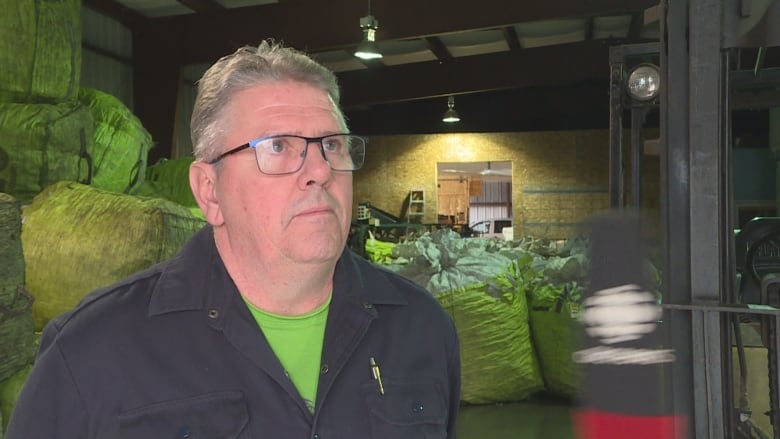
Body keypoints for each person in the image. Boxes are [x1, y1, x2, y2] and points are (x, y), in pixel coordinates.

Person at [6, 40, 461, 438]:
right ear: (209, 191)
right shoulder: (91, 350)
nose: (321, 170)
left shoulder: (421, 328)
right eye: (279, 147)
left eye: (333, 145)